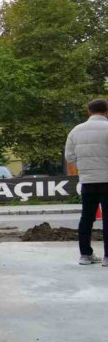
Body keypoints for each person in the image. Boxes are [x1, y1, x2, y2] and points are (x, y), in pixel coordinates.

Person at [65, 98, 108, 265]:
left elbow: (69, 156)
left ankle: (85, 255)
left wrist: (85, 166)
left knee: (86, 218)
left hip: (87, 181)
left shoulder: (76, 131)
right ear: (106, 111)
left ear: (89, 111)